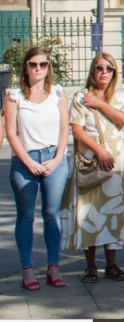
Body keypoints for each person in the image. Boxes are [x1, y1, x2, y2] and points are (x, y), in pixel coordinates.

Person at [61, 53, 124, 282]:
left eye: (109, 68)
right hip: (90, 159)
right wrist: (100, 151)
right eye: (99, 68)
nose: (103, 72)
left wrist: (100, 103)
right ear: (92, 71)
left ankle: (112, 264)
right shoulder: (81, 97)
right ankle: (90, 266)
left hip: (115, 160)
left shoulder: (120, 96)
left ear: (114, 72)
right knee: (88, 211)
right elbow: (77, 130)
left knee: (113, 210)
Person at [5, 47, 69, 290]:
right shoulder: (14, 96)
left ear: (48, 66)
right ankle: (28, 271)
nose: (38, 68)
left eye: (43, 64)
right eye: (33, 64)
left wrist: (57, 158)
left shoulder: (58, 93)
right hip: (25, 160)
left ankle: (54, 267)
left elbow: (65, 129)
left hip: (54, 158)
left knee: (52, 215)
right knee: (26, 216)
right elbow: (11, 133)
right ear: (26, 67)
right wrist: (28, 161)